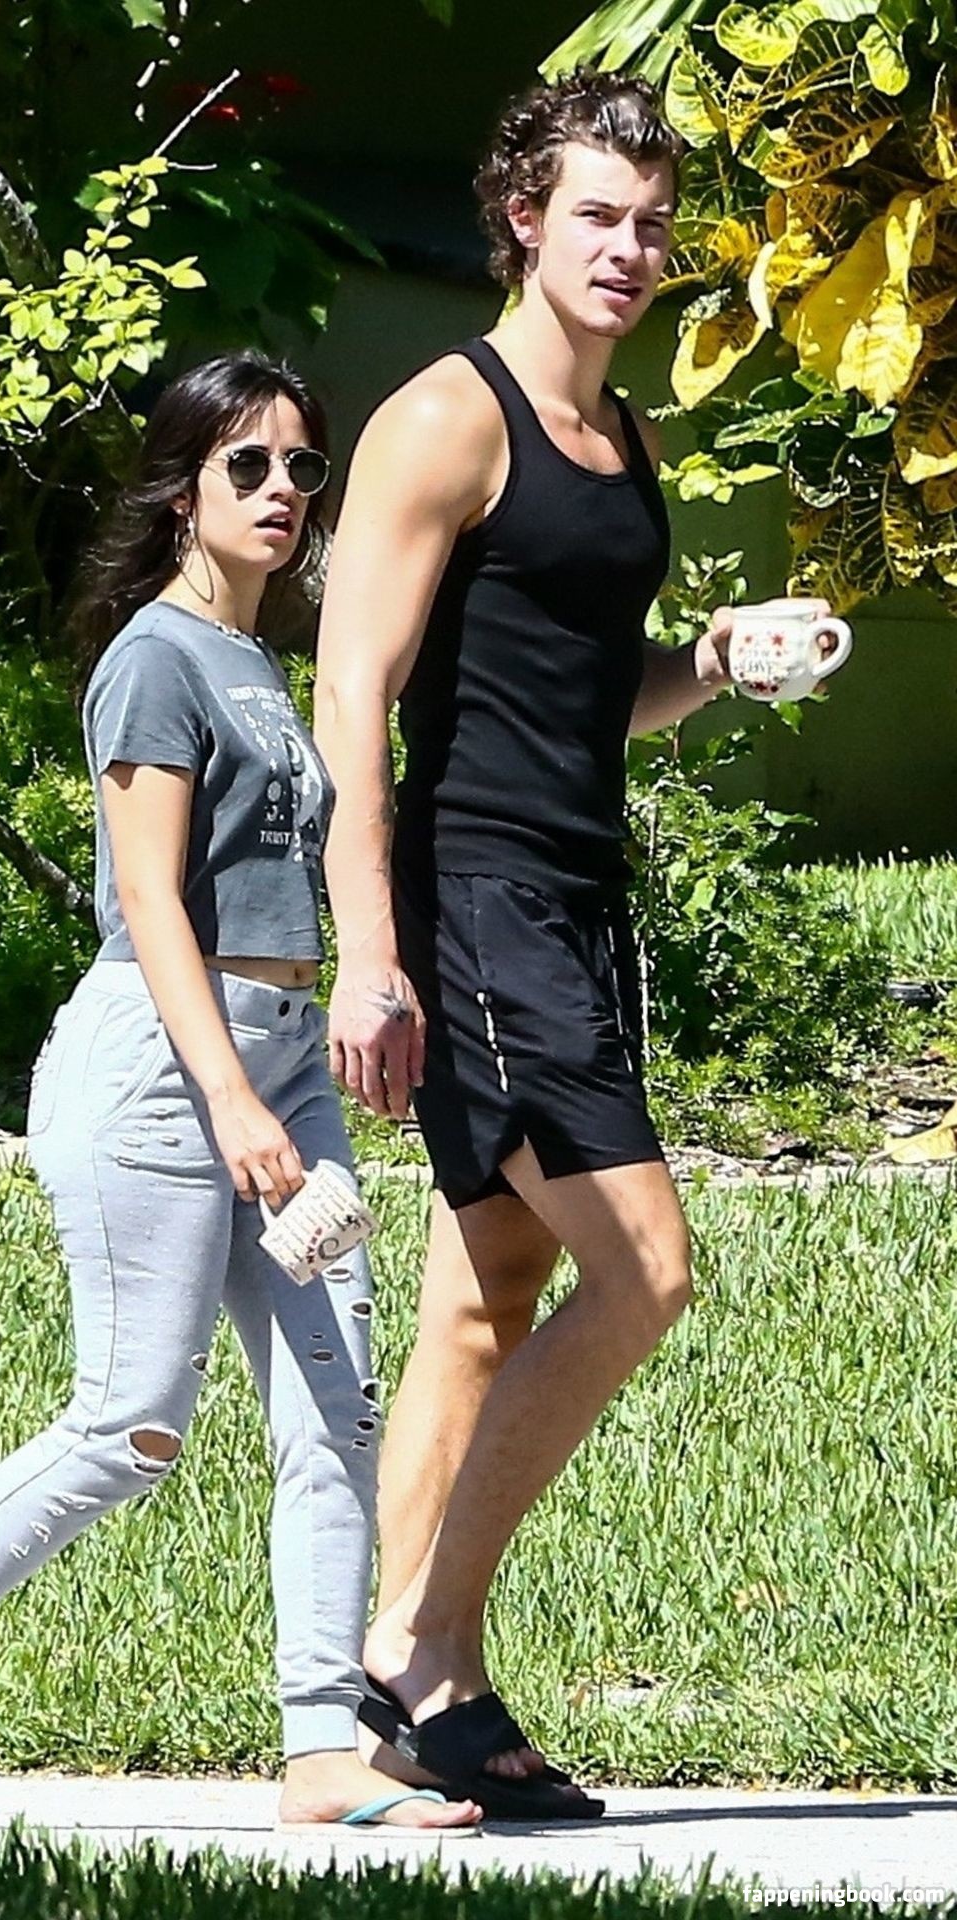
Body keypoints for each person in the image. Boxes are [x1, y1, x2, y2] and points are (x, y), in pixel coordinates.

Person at [0, 352, 480, 1834]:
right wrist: (234, 1102)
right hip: (161, 1065)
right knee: (134, 1423)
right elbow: (148, 903)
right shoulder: (154, 657)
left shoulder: (256, 663)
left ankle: (321, 1749)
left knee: (334, 1411)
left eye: (303, 467)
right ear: (183, 487)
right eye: (247, 465)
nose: (282, 491)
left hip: (279, 1058)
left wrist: (333, 1026)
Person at [313, 71, 839, 1820]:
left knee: (488, 1294)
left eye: (653, 223)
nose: (630, 248)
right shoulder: (444, 420)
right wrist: (368, 954)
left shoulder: (621, 441)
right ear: (524, 218)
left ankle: (378, 1706)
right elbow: (354, 696)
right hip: (474, 903)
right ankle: (427, 1650)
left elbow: (587, 703)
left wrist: (716, 667)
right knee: (645, 1270)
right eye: (598, 215)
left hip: (573, 896)